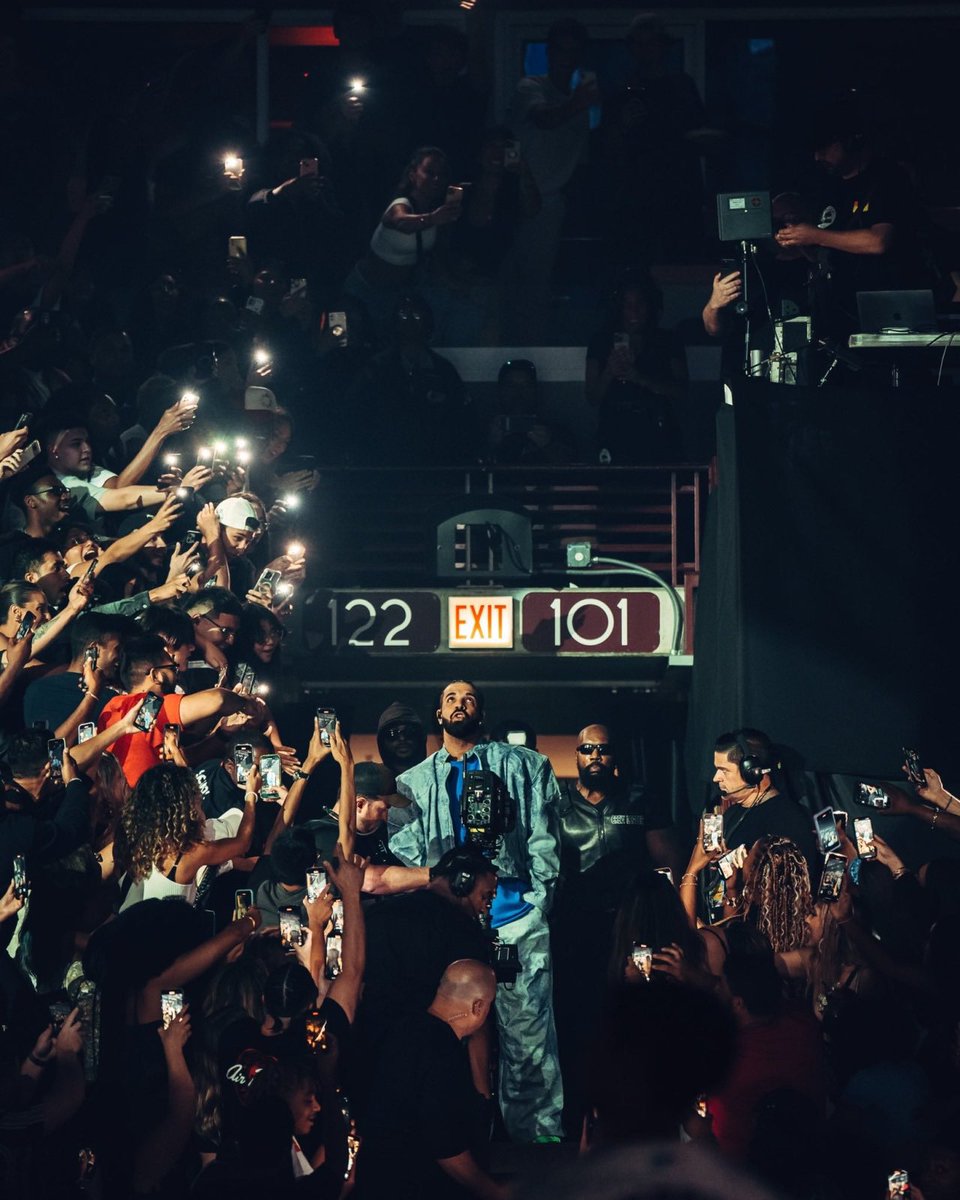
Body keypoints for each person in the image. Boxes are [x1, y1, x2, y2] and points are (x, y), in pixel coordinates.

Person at [389, 679, 564, 1143]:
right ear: (438, 714)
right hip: (448, 923)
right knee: (451, 1034)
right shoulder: (413, 782)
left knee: (528, 1034)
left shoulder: (523, 765)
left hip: (514, 917)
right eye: (450, 698)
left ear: (481, 713)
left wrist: (537, 902)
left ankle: (537, 1142)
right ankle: (459, 1139)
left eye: (468, 698)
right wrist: (439, 893)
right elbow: (406, 850)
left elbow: (544, 837)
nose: (459, 704)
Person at [355, 959, 506, 1200]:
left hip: (374, 1176)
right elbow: (445, 1145)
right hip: (409, 1185)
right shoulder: (442, 1052)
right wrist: (493, 1191)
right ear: (478, 1007)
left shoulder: (403, 1028)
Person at [510, 19, 597, 341]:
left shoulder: (579, 107)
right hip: (518, 200)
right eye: (561, 50)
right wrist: (579, 102)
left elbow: (581, 159)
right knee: (512, 286)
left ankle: (534, 352)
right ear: (549, 52)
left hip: (552, 205)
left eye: (573, 51)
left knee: (540, 288)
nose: (566, 57)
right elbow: (544, 119)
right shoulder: (530, 87)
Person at [97, 634, 266, 786]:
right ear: (156, 676)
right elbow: (218, 699)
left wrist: (223, 734)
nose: (177, 675)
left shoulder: (117, 707)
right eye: (173, 669)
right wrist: (245, 703)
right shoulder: (148, 704)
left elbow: (184, 758)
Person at [344, 146, 462, 335]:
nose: (436, 179)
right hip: (365, 289)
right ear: (413, 175)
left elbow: (435, 257)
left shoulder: (435, 211)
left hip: (398, 293)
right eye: (429, 173)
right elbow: (401, 221)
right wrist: (432, 218)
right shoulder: (401, 204)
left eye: (441, 175)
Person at [114, 761, 258, 910]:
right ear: (187, 809)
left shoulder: (138, 840)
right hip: (168, 925)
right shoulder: (189, 853)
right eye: (198, 802)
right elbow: (243, 842)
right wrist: (251, 794)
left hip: (130, 921)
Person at [585, 270, 684, 464]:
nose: (634, 311)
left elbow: (681, 392)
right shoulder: (601, 341)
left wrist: (639, 378)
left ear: (651, 306)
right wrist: (609, 371)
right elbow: (592, 397)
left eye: (640, 304)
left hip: (659, 432)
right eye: (627, 305)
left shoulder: (667, 341)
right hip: (614, 431)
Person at [376, 699, 427, 777]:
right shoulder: (373, 779)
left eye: (409, 732)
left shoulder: (437, 777)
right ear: (382, 742)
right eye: (393, 733)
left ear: (420, 737)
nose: (402, 738)